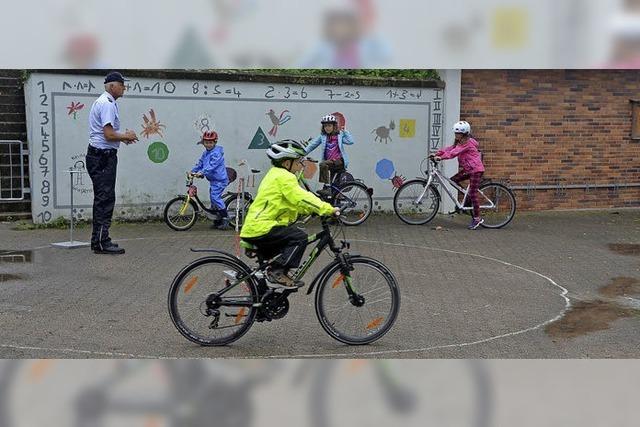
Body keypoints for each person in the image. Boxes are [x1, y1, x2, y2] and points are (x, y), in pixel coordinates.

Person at [240, 140, 340, 288]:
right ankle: (277, 273)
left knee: (283, 248)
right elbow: (301, 197)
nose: (301, 165)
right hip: (262, 227)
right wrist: (327, 209)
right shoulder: (284, 177)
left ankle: (265, 288)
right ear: (287, 163)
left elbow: (291, 203)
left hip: (258, 227)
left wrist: (310, 210)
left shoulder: (275, 174)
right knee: (299, 238)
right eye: (298, 161)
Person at [87, 71, 138, 255]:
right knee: (105, 199)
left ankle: (99, 240)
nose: (124, 88)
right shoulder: (107, 103)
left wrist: (121, 139)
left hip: (99, 155)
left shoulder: (105, 102)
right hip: (102, 157)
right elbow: (108, 134)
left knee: (103, 198)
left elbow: (107, 134)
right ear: (112, 86)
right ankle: (101, 241)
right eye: (122, 84)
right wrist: (126, 135)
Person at [433, 121, 485, 230]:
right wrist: (437, 153)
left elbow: (453, 153)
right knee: (453, 180)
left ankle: (477, 218)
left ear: (465, 134)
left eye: (458, 134)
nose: (456, 135)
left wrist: (441, 158)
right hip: (468, 169)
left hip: (475, 170)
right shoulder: (460, 142)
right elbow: (450, 149)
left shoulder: (467, 144)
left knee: (473, 194)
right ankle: (467, 197)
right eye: (455, 133)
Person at [305, 114, 355, 199]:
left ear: (334, 126)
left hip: (339, 162)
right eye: (325, 126)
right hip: (331, 164)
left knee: (323, 164)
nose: (327, 128)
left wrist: (345, 132)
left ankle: (327, 187)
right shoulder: (323, 137)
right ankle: (336, 204)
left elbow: (350, 141)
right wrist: (302, 152)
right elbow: (312, 145)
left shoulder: (339, 136)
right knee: (334, 188)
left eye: (329, 125)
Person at [189, 130, 230, 230]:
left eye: (211, 142)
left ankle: (225, 219)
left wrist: (202, 173)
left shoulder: (216, 154)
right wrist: (192, 171)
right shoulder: (205, 153)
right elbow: (200, 164)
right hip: (213, 180)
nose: (208, 144)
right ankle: (217, 220)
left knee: (215, 197)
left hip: (220, 180)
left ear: (215, 142)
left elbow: (212, 166)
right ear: (203, 143)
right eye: (206, 142)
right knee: (213, 200)